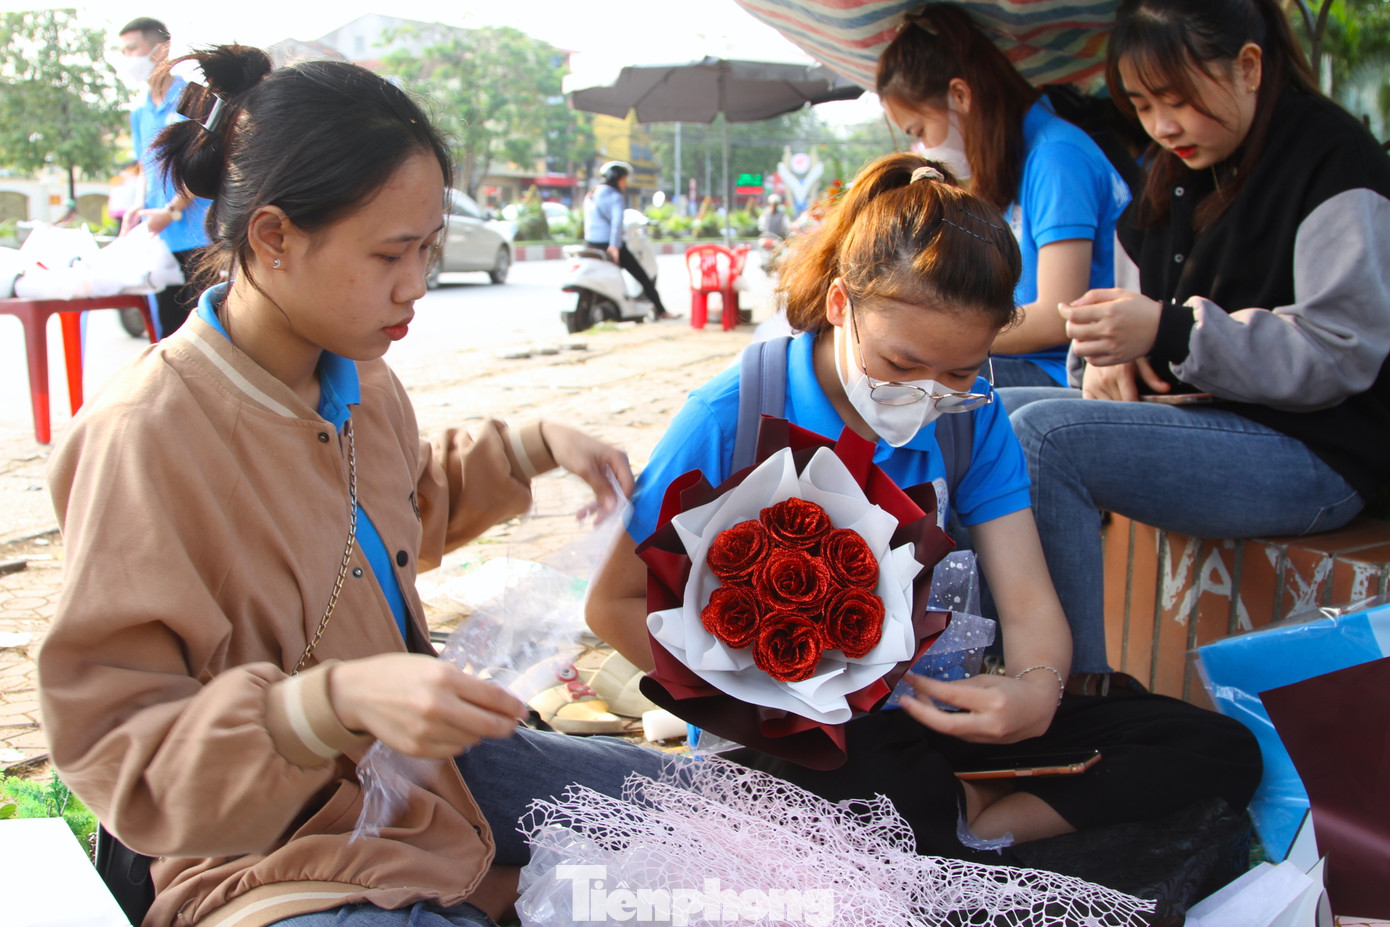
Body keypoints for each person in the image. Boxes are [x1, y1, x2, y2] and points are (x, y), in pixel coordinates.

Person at [38, 46, 672, 927]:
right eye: (389, 254)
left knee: (708, 816)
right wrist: (323, 705)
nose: (416, 285)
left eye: (429, 249)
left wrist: (531, 446)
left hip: (421, 770)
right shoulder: (146, 436)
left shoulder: (359, 380)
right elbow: (119, 747)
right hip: (266, 840)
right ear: (272, 237)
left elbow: (387, 514)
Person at [586, 152, 1261, 865]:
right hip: (790, 737)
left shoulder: (972, 419)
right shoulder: (734, 413)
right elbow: (611, 604)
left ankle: (978, 826)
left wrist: (1034, 691)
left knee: (1214, 746)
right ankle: (966, 826)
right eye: (900, 366)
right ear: (841, 304)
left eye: (960, 371)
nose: (926, 394)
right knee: (870, 791)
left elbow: (1029, 603)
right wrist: (770, 704)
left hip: (929, 712)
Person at [1003, 0, 1390, 675]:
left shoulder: (1333, 157)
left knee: (1045, 438)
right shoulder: (1173, 171)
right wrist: (1105, 359)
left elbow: (1339, 350)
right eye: (1144, 105)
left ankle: (1072, 694)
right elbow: (1121, 316)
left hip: (1319, 450)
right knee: (986, 415)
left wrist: (1169, 331)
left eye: (1178, 99)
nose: (1163, 125)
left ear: (1249, 66)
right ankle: (989, 666)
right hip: (1205, 421)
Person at [876, 4, 1132, 388]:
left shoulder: (1056, 158)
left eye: (920, 129)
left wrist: (941, 335)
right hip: (1029, 361)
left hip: (1065, 370)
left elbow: (1058, 315)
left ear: (960, 95)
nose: (923, 147)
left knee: (914, 384)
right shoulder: (1016, 160)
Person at [117, 16, 212, 339]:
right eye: (123, 51)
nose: (128, 58)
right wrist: (137, 205)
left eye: (133, 49)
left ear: (161, 50)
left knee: (203, 332)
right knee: (168, 334)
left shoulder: (195, 99)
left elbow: (203, 163)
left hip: (198, 237)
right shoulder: (139, 111)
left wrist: (171, 211)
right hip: (159, 239)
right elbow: (144, 165)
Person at [582, 160, 678, 320]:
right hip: (609, 245)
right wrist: (614, 246)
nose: (625, 184)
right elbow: (616, 222)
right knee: (642, 276)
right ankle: (661, 311)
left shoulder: (591, 195)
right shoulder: (615, 196)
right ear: (617, 179)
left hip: (590, 243)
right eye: (624, 179)